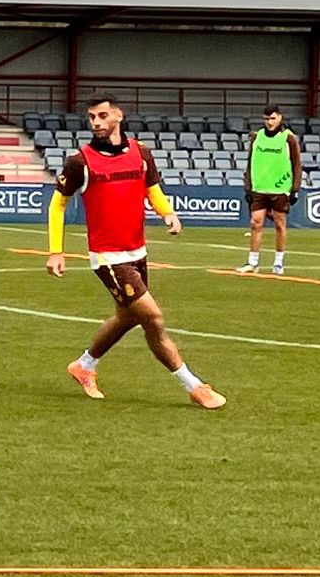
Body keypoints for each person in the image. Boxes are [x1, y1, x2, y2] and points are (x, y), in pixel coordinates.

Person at [47, 93, 225, 408]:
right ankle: (195, 386)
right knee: (153, 319)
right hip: (108, 257)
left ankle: (84, 365)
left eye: (102, 116)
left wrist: (167, 213)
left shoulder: (141, 153)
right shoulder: (80, 162)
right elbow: (58, 204)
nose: (96, 122)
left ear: (119, 115)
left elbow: (151, 190)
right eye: (92, 117)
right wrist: (56, 251)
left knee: (127, 317)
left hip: (137, 252)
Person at [237, 105, 302, 275]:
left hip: (280, 188)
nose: (269, 122)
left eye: (273, 118)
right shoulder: (257, 137)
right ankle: (253, 262)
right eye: (266, 119)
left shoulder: (288, 138)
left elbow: (296, 164)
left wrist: (295, 188)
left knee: (279, 224)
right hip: (259, 187)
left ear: (280, 117)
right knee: (255, 222)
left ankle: (278, 262)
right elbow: (250, 163)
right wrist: (248, 186)